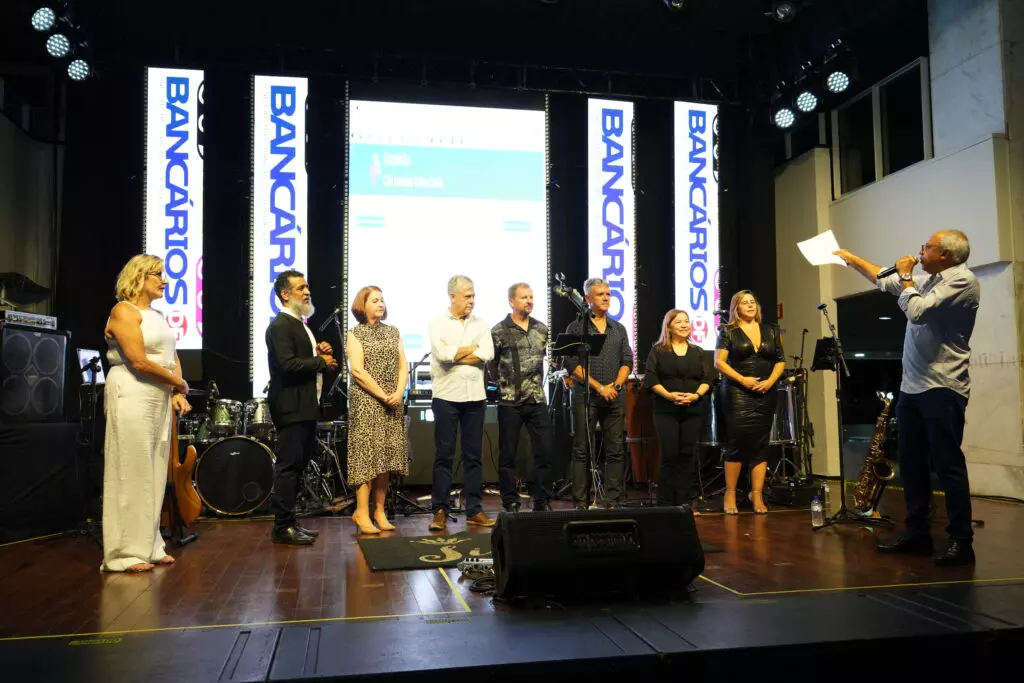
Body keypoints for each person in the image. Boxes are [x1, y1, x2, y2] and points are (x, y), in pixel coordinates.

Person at [834, 230, 979, 565]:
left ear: (946, 254)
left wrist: (905, 277)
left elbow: (917, 312)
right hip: (912, 387)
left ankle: (961, 540)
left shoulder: (963, 281)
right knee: (911, 464)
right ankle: (917, 534)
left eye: (927, 247)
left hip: (942, 386)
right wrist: (851, 259)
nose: (920, 251)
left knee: (947, 465)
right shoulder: (929, 280)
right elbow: (882, 278)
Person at [101, 254, 191, 572]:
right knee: (130, 469)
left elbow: (171, 356)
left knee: (153, 472)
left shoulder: (158, 315)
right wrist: (177, 382)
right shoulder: (124, 311)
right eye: (158, 274)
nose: (164, 280)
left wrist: (177, 390)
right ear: (139, 277)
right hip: (131, 391)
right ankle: (122, 553)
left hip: (157, 395)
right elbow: (138, 361)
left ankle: (149, 546)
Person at [266, 269, 338, 545]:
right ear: (285, 295)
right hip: (291, 407)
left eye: (307, 287)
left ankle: (290, 521)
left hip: (305, 406)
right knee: (289, 467)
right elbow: (287, 365)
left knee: (298, 466)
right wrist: (321, 362)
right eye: (300, 288)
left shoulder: (299, 324)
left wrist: (319, 354)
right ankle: (282, 526)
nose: (307, 292)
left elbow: (300, 360)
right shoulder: (280, 326)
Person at [428, 275, 496, 531]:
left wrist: (458, 352)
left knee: (473, 456)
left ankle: (474, 510)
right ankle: (440, 510)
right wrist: (471, 349)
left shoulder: (481, 323)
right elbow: (443, 355)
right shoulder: (437, 323)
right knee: (444, 455)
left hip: (475, 396)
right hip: (446, 396)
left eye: (473, 296)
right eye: (467, 296)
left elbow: (487, 353)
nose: (471, 300)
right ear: (452, 297)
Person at [563, 278, 634, 509]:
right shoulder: (576, 328)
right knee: (582, 450)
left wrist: (615, 386)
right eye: (600, 294)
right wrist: (599, 387)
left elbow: (627, 360)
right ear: (587, 298)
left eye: (608, 294)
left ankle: (612, 500)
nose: (606, 298)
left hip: (614, 396)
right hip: (586, 397)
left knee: (616, 449)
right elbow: (571, 364)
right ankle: (581, 502)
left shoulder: (618, 329)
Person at [714, 290, 786, 515]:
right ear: (736, 308)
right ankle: (730, 493)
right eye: (745, 303)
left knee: (761, 443)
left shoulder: (771, 330)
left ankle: (757, 494)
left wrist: (770, 382)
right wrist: (743, 380)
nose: (750, 305)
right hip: (737, 392)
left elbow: (780, 361)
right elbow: (719, 362)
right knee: (737, 441)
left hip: (766, 391)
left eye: (752, 302)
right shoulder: (728, 331)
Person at [346, 286, 409, 534]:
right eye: (375, 300)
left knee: (386, 457)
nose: (381, 304)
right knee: (366, 457)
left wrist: (399, 392)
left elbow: (403, 365)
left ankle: (379, 512)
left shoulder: (393, 332)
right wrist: (383, 395)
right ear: (362, 305)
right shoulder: (355, 334)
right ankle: (361, 513)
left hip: (392, 402)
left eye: (382, 300)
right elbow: (357, 371)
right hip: (367, 402)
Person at [490, 283, 553, 513]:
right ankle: (510, 500)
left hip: (537, 399)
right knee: (508, 454)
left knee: (544, 451)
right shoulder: (498, 331)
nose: (529, 301)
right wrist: (503, 383)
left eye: (531, 297)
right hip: (510, 401)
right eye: (524, 297)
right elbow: (491, 365)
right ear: (511, 301)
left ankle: (542, 499)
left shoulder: (542, 329)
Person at [644, 309, 711, 512]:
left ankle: (685, 504)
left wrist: (696, 395)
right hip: (666, 409)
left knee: (687, 455)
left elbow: (707, 379)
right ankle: (665, 505)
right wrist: (669, 396)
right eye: (679, 322)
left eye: (686, 321)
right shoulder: (658, 351)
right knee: (670, 455)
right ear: (669, 327)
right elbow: (651, 378)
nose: (684, 325)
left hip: (693, 409)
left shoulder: (698, 351)